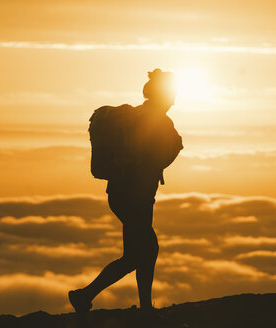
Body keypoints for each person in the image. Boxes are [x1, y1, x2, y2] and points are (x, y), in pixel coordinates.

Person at [69, 69, 183, 320]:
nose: (174, 98)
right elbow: (161, 154)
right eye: (172, 93)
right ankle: (140, 309)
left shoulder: (142, 116)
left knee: (135, 254)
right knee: (147, 249)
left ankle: (86, 296)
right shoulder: (157, 120)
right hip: (136, 196)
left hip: (123, 194)